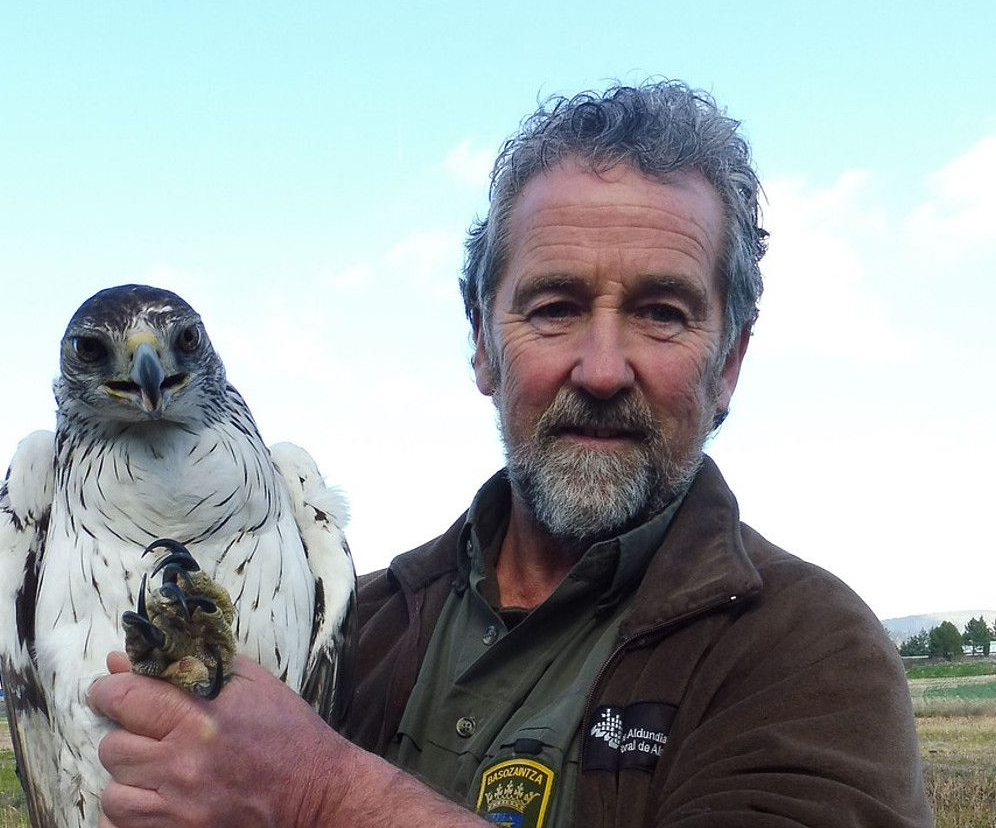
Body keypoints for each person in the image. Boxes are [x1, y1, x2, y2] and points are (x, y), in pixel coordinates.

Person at [89, 81, 933, 828]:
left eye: (663, 313)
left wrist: (321, 796)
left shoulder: (807, 653)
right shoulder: (357, 621)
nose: (602, 370)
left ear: (731, 362)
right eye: (556, 307)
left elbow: (297, 787)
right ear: (483, 346)